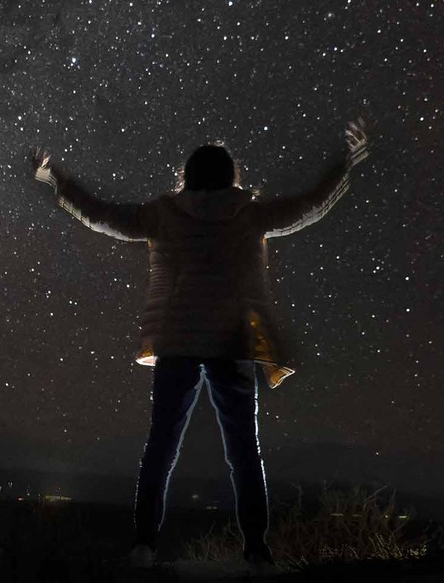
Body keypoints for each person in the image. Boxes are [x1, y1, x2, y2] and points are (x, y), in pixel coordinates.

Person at [29, 118, 370, 572]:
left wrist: (57, 181)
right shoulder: (251, 213)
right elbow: (309, 207)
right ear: (231, 175)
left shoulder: (162, 214)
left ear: (186, 175)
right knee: (244, 450)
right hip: (232, 340)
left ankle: (145, 544)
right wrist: (344, 164)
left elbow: (101, 216)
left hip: (177, 339)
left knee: (161, 446)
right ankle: (256, 551)